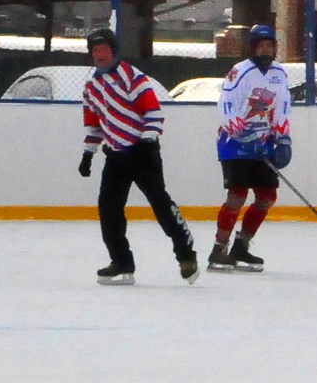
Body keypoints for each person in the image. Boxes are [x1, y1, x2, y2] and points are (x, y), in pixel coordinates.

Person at [78, 27, 198, 286]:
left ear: (114, 51)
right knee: (108, 209)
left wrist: (147, 140)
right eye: (95, 51)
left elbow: (153, 113)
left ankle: (186, 253)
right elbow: (94, 124)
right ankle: (121, 261)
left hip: (143, 153)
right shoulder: (91, 87)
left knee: (159, 204)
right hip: (116, 157)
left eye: (104, 50)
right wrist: (88, 153)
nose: (100, 55)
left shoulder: (133, 77)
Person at [210, 23, 289, 271]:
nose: (265, 50)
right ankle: (218, 250)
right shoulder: (240, 72)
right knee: (237, 195)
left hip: (263, 143)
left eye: (270, 46)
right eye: (260, 46)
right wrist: (241, 132)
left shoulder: (280, 73)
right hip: (234, 143)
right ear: (252, 48)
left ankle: (241, 246)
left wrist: (283, 138)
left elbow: (282, 107)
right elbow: (226, 105)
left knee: (266, 197)